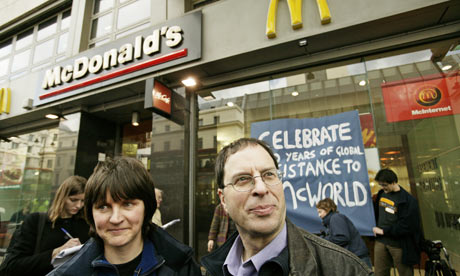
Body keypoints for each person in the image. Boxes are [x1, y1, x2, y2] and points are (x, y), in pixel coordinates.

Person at [201, 138, 372, 276]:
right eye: (243, 179)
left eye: (269, 175)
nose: (261, 188)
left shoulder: (346, 269)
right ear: (223, 199)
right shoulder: (212, 269)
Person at [47, 156, 201, 276]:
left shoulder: (182, 266)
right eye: (103, 207)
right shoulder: (68, 273)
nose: (115, 219)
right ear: (90, 213)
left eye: (127, 204)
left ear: (147, 208)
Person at [2, 176, 89, 276]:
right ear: (62, 197)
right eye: (73, 200)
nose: (79, 205)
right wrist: (56, 252)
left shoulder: (86, 224)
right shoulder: (36, 221)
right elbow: (12, 266)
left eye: (83, 201)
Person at [372, 168, 423, 276]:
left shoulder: (408, 200)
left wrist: (384, 231)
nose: (383, 187)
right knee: (379, 273)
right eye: (381, 185)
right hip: (381, 242)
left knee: (405, 273)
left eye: (385, 185)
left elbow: (408, 226)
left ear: (394, 182)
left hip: (399, 244)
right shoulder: (381, 194)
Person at [316, 198, 372, 268]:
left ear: (327, 209)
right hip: (356, 257)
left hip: (357, 259)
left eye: (320, 212)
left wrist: (324, 240)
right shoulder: (334, 219)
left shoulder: (335, 218)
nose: (319, 215)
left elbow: (342, 238)